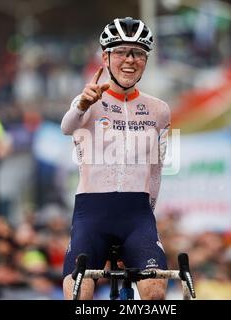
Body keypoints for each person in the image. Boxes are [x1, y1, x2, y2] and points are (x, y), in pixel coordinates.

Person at [60, 17, 171, 300]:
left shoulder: (159, 110)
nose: (130, 60)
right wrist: (83, 103)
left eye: (139, 54)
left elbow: (156, 171)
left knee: (156, 293)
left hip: (137, 216)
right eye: (122, 52)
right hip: (91, 214)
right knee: (78, 296)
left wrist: (149, 217)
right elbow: (67, 126)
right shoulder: (88, 100)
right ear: (106, 57)